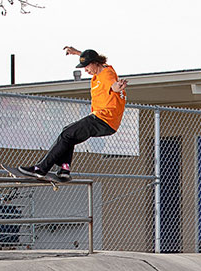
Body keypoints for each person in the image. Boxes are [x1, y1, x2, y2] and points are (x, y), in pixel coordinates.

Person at [17, 47, 128, 181]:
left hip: (103, 119)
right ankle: (64, 169)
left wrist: (118, 87)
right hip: (106, 121)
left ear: (95, 63)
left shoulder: (106, 75)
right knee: (69, 134)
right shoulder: (102, 67)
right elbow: (90, 56)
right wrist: (76, 52)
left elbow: (113, 85)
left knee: (66, 134)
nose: (86, 70)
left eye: (87, 67)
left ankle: (41, 169)